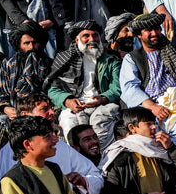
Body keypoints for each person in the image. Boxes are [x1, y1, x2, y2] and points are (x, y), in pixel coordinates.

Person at [0, 93, 105, 194]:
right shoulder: (4, 151)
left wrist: (82, 181)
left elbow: (95, 177)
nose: (52, 112)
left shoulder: (61, 147)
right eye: (44, 109)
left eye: (51, 108)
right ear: (25, 115)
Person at [119, 12, 176, 155]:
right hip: (146, 108)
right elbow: (129, 88)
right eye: (148, 30)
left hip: (175, 104)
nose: (154, 33)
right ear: (139, 35)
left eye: (156, 28)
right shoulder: (132, 58)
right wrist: (153, 107)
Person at [45, 21, 122, 150]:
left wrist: (102, 98)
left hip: (102, 104)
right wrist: (68, 100)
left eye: (95, 35)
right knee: (71, 125)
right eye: (86, 36)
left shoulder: (110, 60)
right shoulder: (65, 60)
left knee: (99, 125)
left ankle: (103, 162)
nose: (92, 39)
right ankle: (80, 162)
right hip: (74, 106)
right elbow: (52, 89)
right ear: (77, 39)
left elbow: (117, 88)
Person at [0, 22, 51, 121]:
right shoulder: (8, 65)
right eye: (26, 43)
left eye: (34, 42)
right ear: (19, 44)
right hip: (12, 111)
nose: (31, 47)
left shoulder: (48, 65)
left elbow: (52, 94)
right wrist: (6, 109)